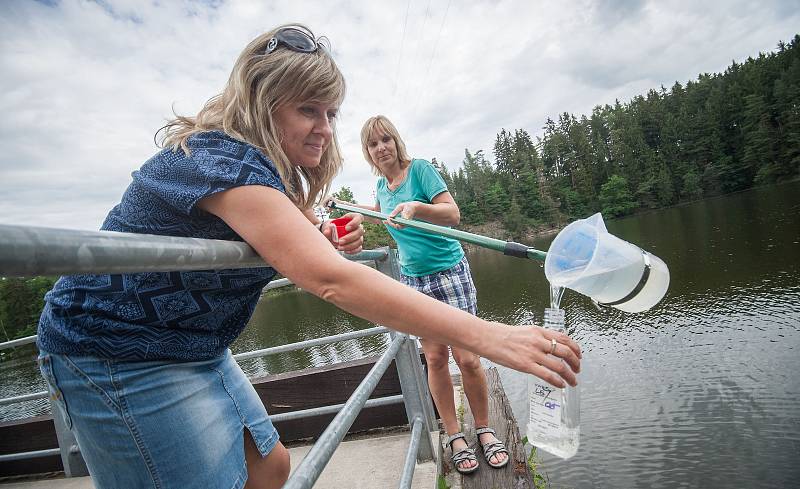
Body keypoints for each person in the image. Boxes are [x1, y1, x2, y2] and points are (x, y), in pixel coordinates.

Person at [36, 25, 581, 489]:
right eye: (307, 110)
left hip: (193, 344)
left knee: (271, 466)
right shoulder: (216, 158)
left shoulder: (260, 173)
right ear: (260, 104)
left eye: (330, 112)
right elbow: (330, 281)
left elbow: (298, 242)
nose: (325, 128)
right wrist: (489, 335)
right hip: (117, 351)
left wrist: (318, 234)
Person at [339, 115, 506, 474]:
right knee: (434, 359)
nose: (381, 147)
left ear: (396, 141)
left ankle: (484, 429)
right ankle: (454, 435)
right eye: (373, 143)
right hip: (415, 281)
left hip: (449, 273)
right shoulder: (383, 186)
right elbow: (383, 212)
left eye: (386, 139)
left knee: (469, 360)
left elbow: (453, 214)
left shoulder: (420, 170)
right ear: (367, 152)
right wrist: (350, 208)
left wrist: (417, 208)